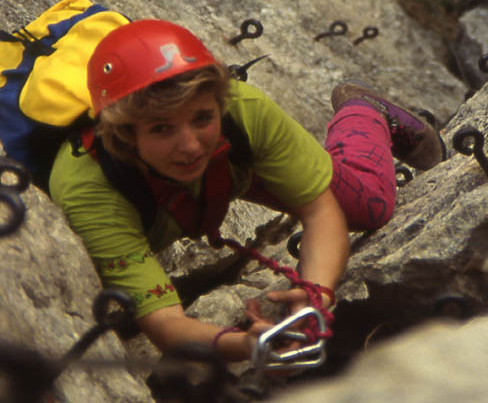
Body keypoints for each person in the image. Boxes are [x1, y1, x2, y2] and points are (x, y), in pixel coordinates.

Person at [49, 19, 443, 363]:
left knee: (371, 206)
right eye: (161, 128)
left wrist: (316, 294)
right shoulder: (91, 190)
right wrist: (244, 344)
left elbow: (322, 212)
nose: (190, 145)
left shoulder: (241, 111)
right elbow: (166, 324)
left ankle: (363, 110)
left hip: (229, 165)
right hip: (167, 185)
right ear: (124, 133)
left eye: (202, 118)